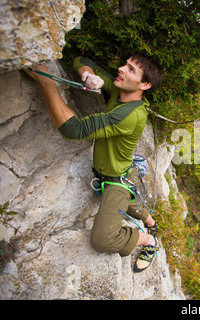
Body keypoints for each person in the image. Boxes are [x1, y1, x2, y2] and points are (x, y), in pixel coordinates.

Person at [24, 53, 163, 272]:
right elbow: (81, 61)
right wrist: (88, 75)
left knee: (103, 239)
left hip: (117, 181)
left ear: (144, 85)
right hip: (123, 172)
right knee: (130, 201)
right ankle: (152, 223)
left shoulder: (130, 115)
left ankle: (147, 240)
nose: (121, 69)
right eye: (125, 64)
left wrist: (46, 80)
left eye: (130, 70)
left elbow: (73, 129)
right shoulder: (122, 90)